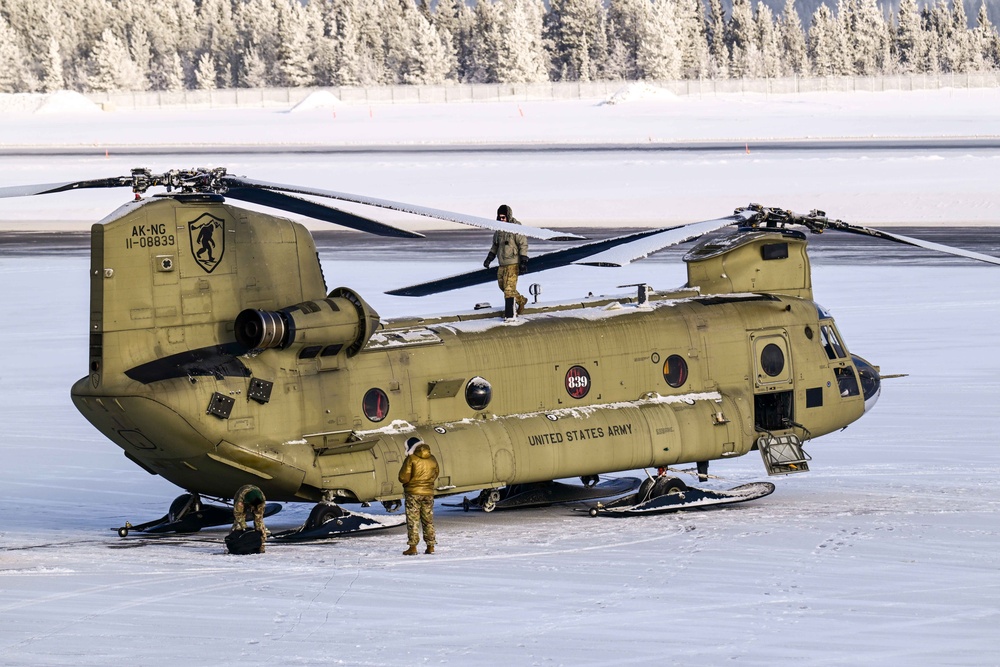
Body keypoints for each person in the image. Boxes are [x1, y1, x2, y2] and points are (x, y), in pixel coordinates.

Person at [483, 204, 529, 318]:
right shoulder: (499, 231)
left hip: (512, 263)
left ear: (508, 216)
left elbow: (523, 244)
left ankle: (510, 313)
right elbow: (495, 245)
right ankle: (521, 300)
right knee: (502, 286)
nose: (501, 219)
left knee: (508, 290)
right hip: (502, 264)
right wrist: (489, 258)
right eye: (500, 217)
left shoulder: (516, 228)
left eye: (503, 217)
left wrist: (523, 261)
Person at [398, 436, 439, 555]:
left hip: (413, 493)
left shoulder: (411, 459)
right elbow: (436, 473)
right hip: (428, 493)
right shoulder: (432, 458)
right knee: (428, 520)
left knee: (413, 520)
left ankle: (413, 547)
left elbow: (403, 477)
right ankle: (430, 546)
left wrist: (410, 483)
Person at [230, 484, 268, 553]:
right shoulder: (240, 500)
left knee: (259, 524)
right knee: (238, 524)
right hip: (242, 499)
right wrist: (245, 528)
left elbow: (258, 517)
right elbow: (238, 514)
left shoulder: (261, 500)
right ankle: (234, 544)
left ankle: (261, 545)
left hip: (256, 501)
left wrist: (260, 532)